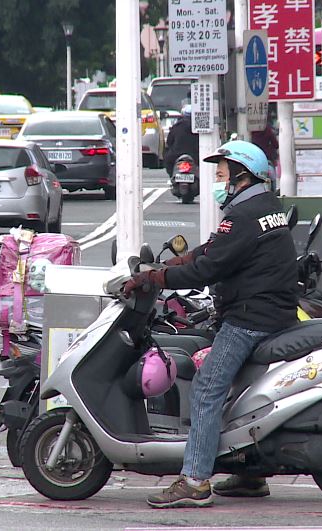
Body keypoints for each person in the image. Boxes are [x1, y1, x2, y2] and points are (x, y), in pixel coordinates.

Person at [122, 140, 299, 508]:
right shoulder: (266, 207)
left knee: (206, 388)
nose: (218, 181)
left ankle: (195, 479)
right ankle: (251, 475)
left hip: (250, 318)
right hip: (272, 311)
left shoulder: (243, 216)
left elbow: (209, 267)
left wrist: (156, 279)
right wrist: (172, 263)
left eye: (222, 174)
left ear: (241, 175)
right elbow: (214, 249)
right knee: (243, 392)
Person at [163, 105, 199, 177]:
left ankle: (173, 177)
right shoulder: (198, 127)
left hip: (176, 155)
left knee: (168, 161)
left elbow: (169, 142)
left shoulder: (177, 126)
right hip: (195, 155)